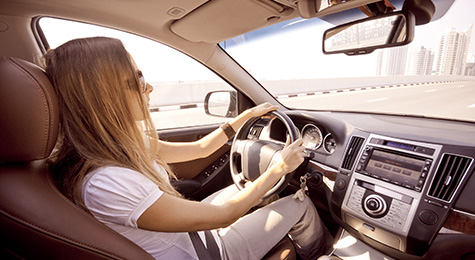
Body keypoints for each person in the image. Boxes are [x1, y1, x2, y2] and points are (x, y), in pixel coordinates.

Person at [44, 36, 330, 260]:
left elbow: (201, 149)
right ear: (104, 97)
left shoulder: (119, 147)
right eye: (138, 78)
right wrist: (280, 167)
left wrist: (242, 118)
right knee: (300, 204)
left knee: (254, 186)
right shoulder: (107, 182)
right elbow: (224, 216)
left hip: (193, 235)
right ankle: (321, 254)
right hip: (207, 253)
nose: (149, 88)